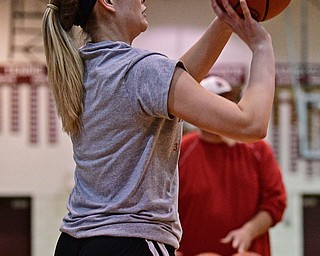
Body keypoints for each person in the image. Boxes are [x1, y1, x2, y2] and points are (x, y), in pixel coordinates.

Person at [42, 0, 276, 255]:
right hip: (129, 241)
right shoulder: (141, 70)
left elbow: (175, 80)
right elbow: (251, 123)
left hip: (74, 242)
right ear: (108, 3)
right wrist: (262, 47)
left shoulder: (84, 67)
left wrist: (226, 21)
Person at [177, 76, 287, 256]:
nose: (221, 111)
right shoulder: (180, 151)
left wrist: (249, 231)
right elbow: (162, 207)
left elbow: (275, 202)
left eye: (226, 103)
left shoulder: (257, 149)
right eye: (215, 104)